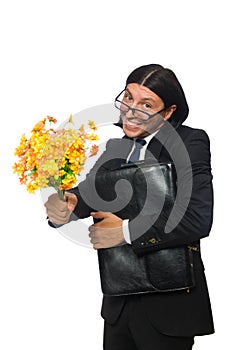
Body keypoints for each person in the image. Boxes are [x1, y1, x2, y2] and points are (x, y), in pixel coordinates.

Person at [45, 64, 214, 350]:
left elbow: (197, 219)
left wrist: (124, 232)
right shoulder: (114, 149)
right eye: (128, 98)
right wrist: (68, 204)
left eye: (146, 104)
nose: (131, 111)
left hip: (169, 306)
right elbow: (89, 195)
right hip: (118, 305)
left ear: (169, 112)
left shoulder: (190, 142)